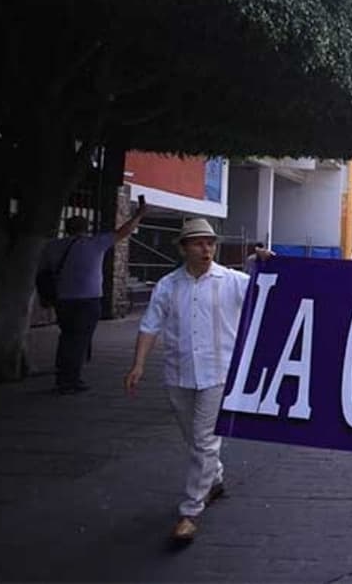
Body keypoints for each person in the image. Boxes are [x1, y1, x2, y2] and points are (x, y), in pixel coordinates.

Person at [123, 218, 269, 543]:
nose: (206, 249)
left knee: (203, 440)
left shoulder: (232, 281)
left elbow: (269, 289)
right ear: (184, 248)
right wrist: (138, 365)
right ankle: (214, 478)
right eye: (198, 243)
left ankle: (190, 511)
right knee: (192, 438)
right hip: (179, 373)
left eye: (210, 243)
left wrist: (265, 263)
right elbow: (150, 325)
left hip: (218, 373)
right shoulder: (167, 286)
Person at [39, 196, 148, 394]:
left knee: (67, 337)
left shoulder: (53, 247)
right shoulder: (94, 244)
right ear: (86, 227)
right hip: (87, 300)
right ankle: (71, 379)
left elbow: (44, 271)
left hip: (63, 299)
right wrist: (138, 215)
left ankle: (63, 374)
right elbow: (124, 231)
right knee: (80, 339)